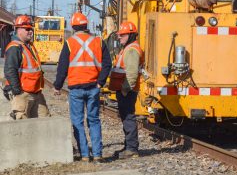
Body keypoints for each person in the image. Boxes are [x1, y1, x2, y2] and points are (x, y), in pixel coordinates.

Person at [53, 12, 111, 162]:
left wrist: (57, 86)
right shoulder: (98, 41)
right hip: (93, 87)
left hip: (76, 88)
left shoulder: (69, 43)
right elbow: (107, 64)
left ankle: (85, 155)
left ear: (73, 26)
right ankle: (97, 154)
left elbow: (62, 67)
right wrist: (101, 82)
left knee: (77, 121)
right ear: (86, 26)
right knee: (94, 120)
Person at [109, 21, 144, 159]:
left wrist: (125, 89)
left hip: (127, 90)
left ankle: (132, 149)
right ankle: (128, 146)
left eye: (122, 35)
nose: (119, 37)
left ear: (130, 35)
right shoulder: (129, 47)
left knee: (128, 117)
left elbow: (131, 73)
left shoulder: (131, 50)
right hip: (126, 89)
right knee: (126, 117)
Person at [3, 15, 50, 119]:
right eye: (27, 29)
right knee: (22, 125)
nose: (31, 31)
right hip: (23, 94)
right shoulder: (14, 48)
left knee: (45, 121)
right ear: (18, 30)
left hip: (36, 93)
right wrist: (17, 91)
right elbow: (10, 71)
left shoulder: (28, 46)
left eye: (31, 29)